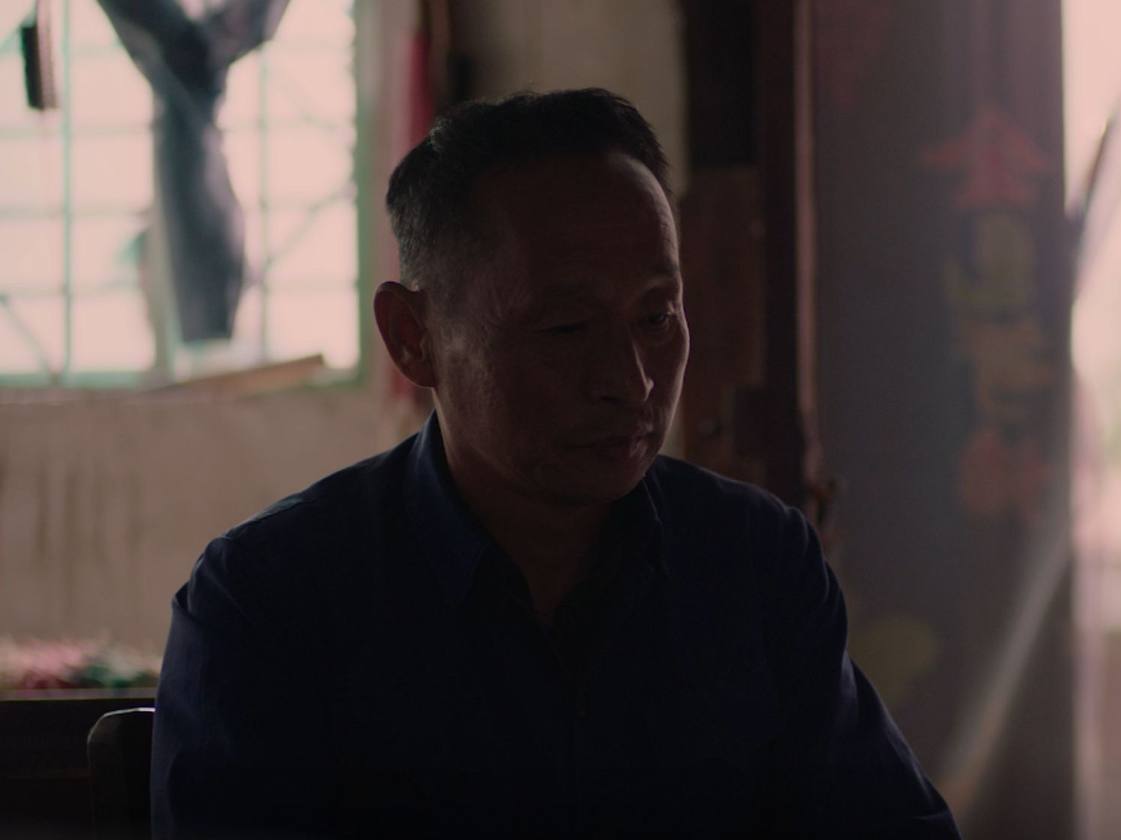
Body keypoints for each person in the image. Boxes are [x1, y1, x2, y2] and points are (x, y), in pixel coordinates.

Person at [150, 88, 960, 838]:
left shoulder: (753, 566)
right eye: (567, 329)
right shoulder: (272, 605)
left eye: (656, 316)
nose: (631, 381)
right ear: (412, 337)